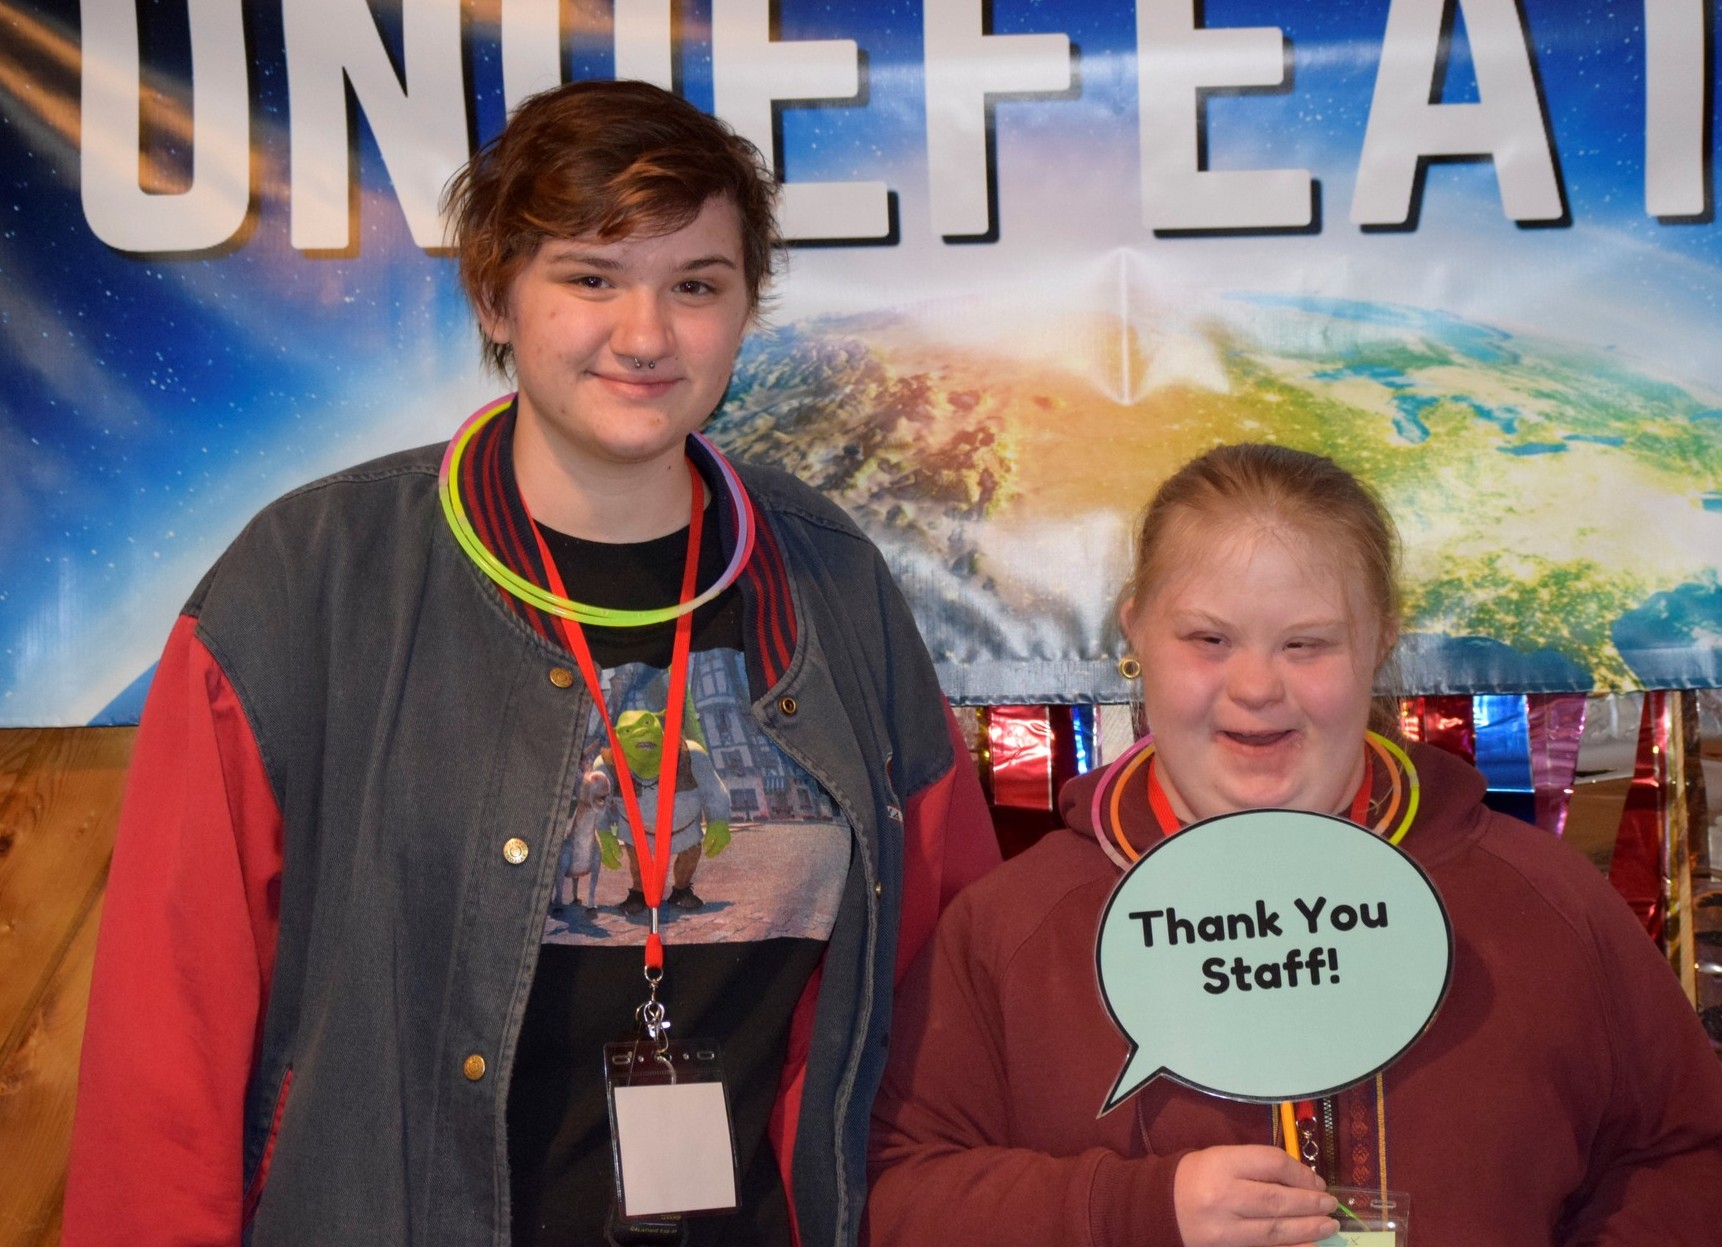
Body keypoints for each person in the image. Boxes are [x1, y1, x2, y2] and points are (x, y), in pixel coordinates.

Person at [64, 80, 999, 1247]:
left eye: (696, 285)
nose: (647, 334)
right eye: (591, 277)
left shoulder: (833, 582)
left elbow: (947, 966)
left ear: (746, 311)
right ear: (497, 293)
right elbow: (171, 1023)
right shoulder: (311, 579)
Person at [867, 443, 1722, 1246]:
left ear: (1381, 639)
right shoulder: (1010, 930)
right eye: (1208, 639)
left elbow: (1683, 1156)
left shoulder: (1542, 901)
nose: (1255, 688)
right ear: (1135, 634)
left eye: (1306, 644)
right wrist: (1134, 1208)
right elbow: (896, 1193)